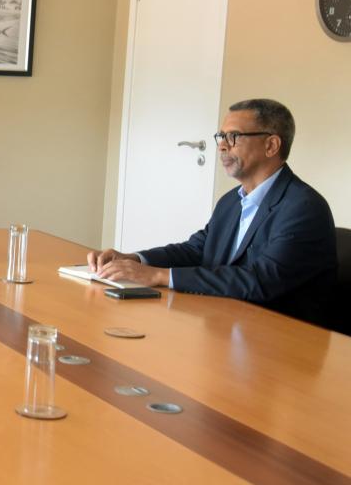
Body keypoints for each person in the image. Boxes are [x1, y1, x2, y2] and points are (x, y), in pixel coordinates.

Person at [87, 99, 337, 327]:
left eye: (234, 136)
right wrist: (136, 260)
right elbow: (197, 250)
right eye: (221, 137)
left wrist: (159, 275)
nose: (222, 147)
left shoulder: (304, 208)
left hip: (282, 340)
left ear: (271, 145)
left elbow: (260, 280)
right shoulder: (231, 201)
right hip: (228, 324)